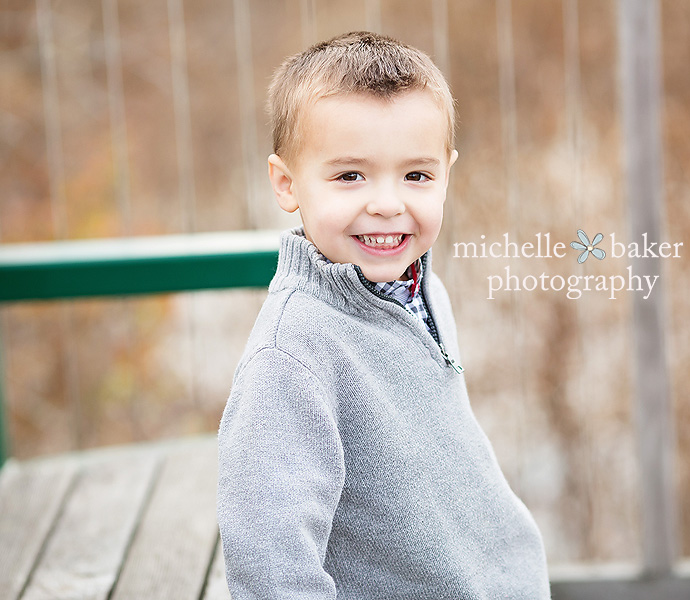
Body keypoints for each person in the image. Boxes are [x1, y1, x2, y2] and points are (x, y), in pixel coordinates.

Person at [217, 31, 551, 598]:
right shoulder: (292, 356)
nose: (388, 203)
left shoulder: (421, 289)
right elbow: (271, 567)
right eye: (350, 175)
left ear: (447, 172)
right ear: (287, 183)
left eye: (416, 175)